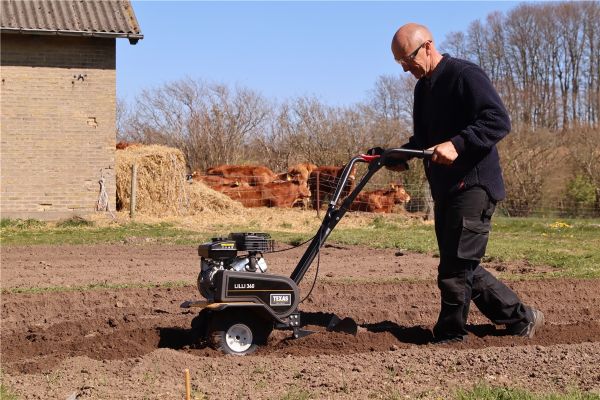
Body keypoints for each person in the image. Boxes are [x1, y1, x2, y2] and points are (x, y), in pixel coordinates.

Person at [384, 23, 544, 343]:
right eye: (400, 63)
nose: (405, 69)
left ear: (428, 46)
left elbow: (497, 120)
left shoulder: (465, 75)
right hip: (446, 189)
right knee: (461, 264)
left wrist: (458, 143)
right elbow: (424, 140)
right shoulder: (423, 88)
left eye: (408, 59)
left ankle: (450, 336)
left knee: (455, 270)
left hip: (474, 185)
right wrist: (396, 155)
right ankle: (521, 317)